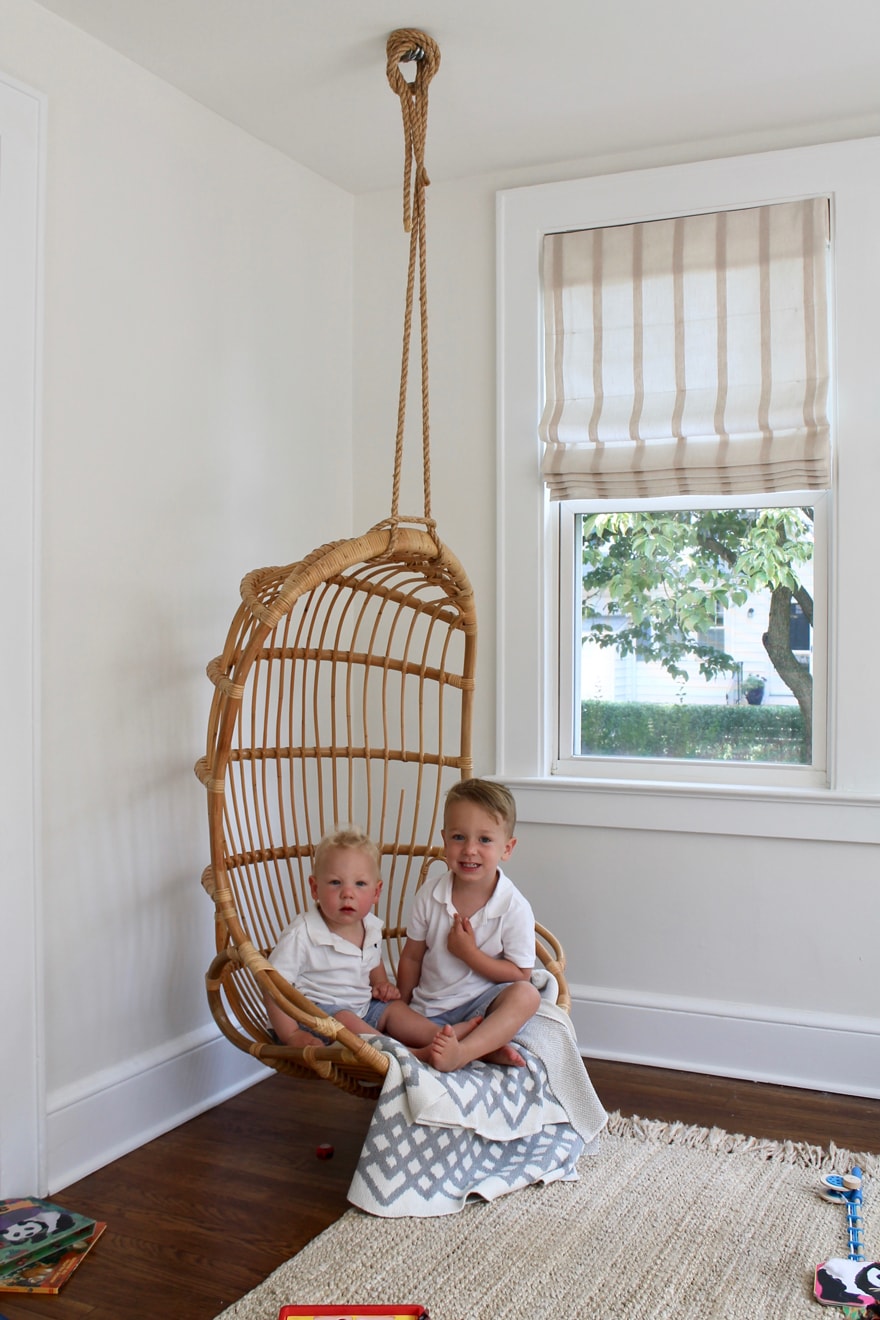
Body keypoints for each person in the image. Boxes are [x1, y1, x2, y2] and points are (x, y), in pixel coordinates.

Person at [266, 826, 481, 1050]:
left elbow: (372, 960)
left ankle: (440, 1036)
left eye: (360, 884)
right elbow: (272, 986)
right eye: (335, 883)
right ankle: (408, 1055)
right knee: (345, 1019)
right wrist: (290, 1034)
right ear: (314, 887)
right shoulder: (303, 933)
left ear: (376, 892)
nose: (347, 893)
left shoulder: (369, 926)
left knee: (394, 1009)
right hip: (315, 1020)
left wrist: (380, 983)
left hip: (363, 1009)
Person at [382, 778, 541, 1072]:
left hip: (481, 1007)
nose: (469, 850)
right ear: (444, 841)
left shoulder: (513, 907)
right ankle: (482, 1048)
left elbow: (521, 973)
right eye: (458, 837)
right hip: (430, 1012)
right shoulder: (430, 895)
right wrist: (401, 1006)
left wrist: (469, 954)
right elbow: (412, 956)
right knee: (388, 1017)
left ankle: (465, 1050)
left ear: (507, 848)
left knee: (527, 996)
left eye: (484, 840)